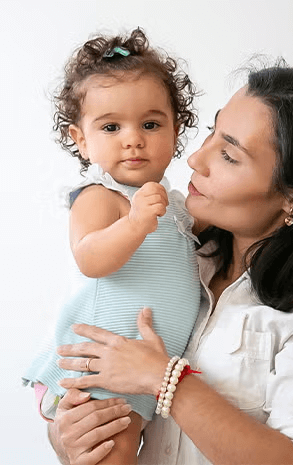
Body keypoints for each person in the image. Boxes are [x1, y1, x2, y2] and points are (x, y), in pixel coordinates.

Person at [48, 63, 293, 465]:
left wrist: (165, 380)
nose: (196, 159)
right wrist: (67, 435)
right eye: (212, 132)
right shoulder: (179, 257)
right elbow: (86, 378)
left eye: (229, 155)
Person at [22, 28, 202, 464]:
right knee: (111, 454)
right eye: (110, 126)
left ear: (176, 132)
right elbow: (90, 258)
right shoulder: (100, 197)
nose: (132, 138)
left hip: (142, 369)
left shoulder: (178, 206)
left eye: (151, 124)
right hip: (101, 363)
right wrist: (137, 222)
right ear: (81, 140)